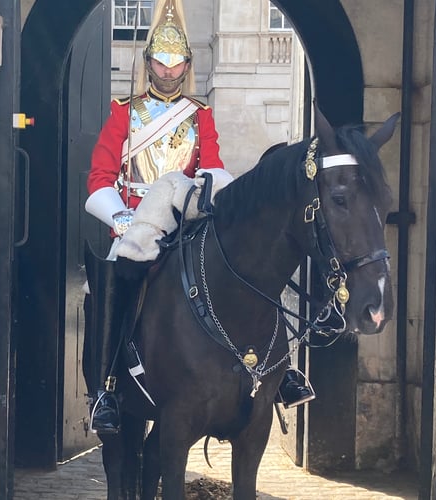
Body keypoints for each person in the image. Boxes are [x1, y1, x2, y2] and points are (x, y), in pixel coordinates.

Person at [82, 0, 311, 435]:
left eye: (176, 63)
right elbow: (100, 178)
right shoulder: (123, 113)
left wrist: (216, 185)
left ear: (187, 64)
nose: (168, 71)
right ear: (149, 62)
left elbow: (214, 164)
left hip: (184, 219)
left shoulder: (199, 114)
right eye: (161, 62)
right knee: (112, 286)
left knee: (248, 268)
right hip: (134, 221)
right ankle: (107, 389)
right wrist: (122, 219)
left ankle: (280, 370)